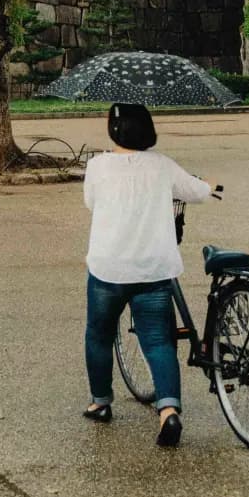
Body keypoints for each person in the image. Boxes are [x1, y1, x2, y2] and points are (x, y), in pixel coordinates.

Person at [82, 102, 214, 448]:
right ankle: (168, 410)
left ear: (114, 130)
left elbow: (91, 203)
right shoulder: (163, 166)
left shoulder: (97, 166)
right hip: (154, 269)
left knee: (98, 333)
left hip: (109, 268)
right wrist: (211, 186)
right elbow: (196, 191)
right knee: (158, 340)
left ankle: (100, 402)